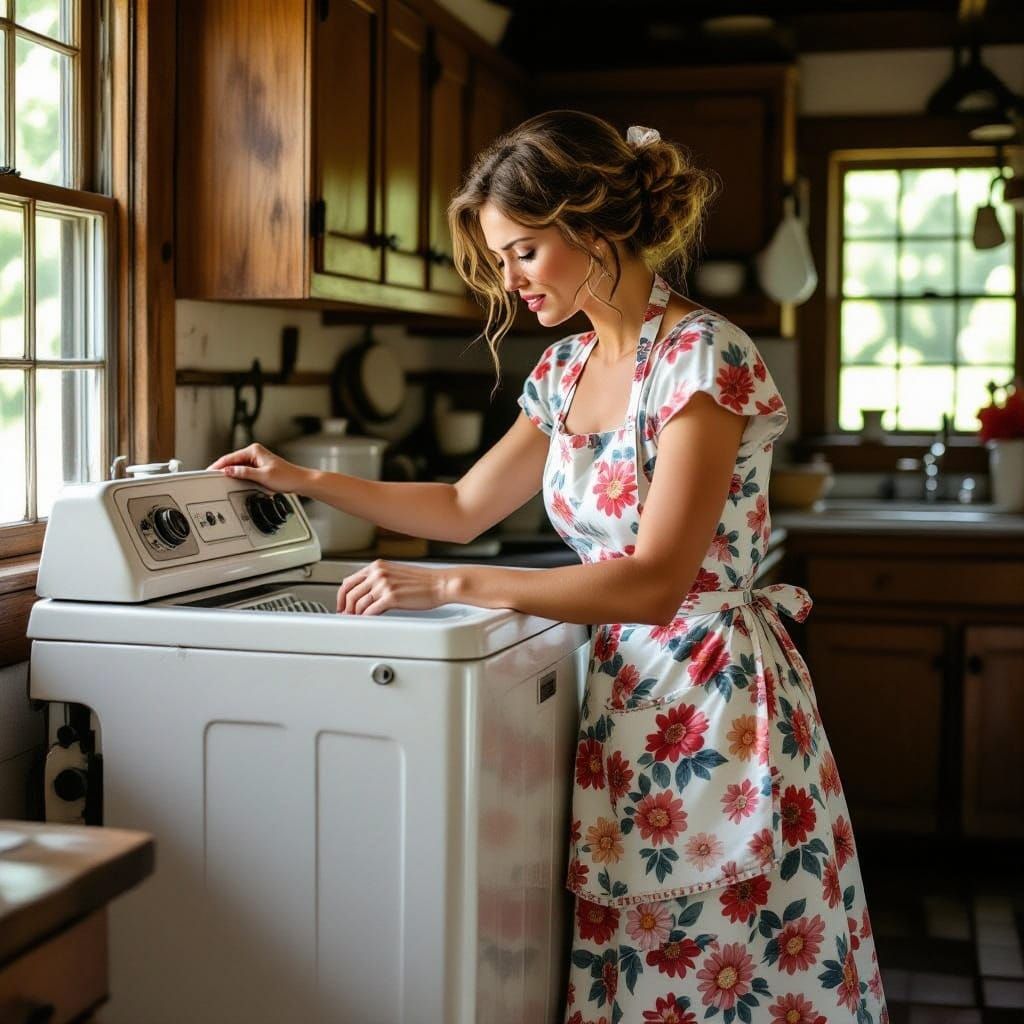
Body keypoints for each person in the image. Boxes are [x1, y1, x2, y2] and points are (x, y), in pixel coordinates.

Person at [209, 110, 889, 1024]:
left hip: (715, 711)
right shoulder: (563, 370)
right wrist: (304, 479)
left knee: (734, 980)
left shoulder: (703, 356)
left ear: (593, 226)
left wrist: (451, 586)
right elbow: (460, 507)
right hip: (629, 711)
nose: (509, 279)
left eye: (524, 252)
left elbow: (655, 582)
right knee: (641, 985)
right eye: (500, 259)